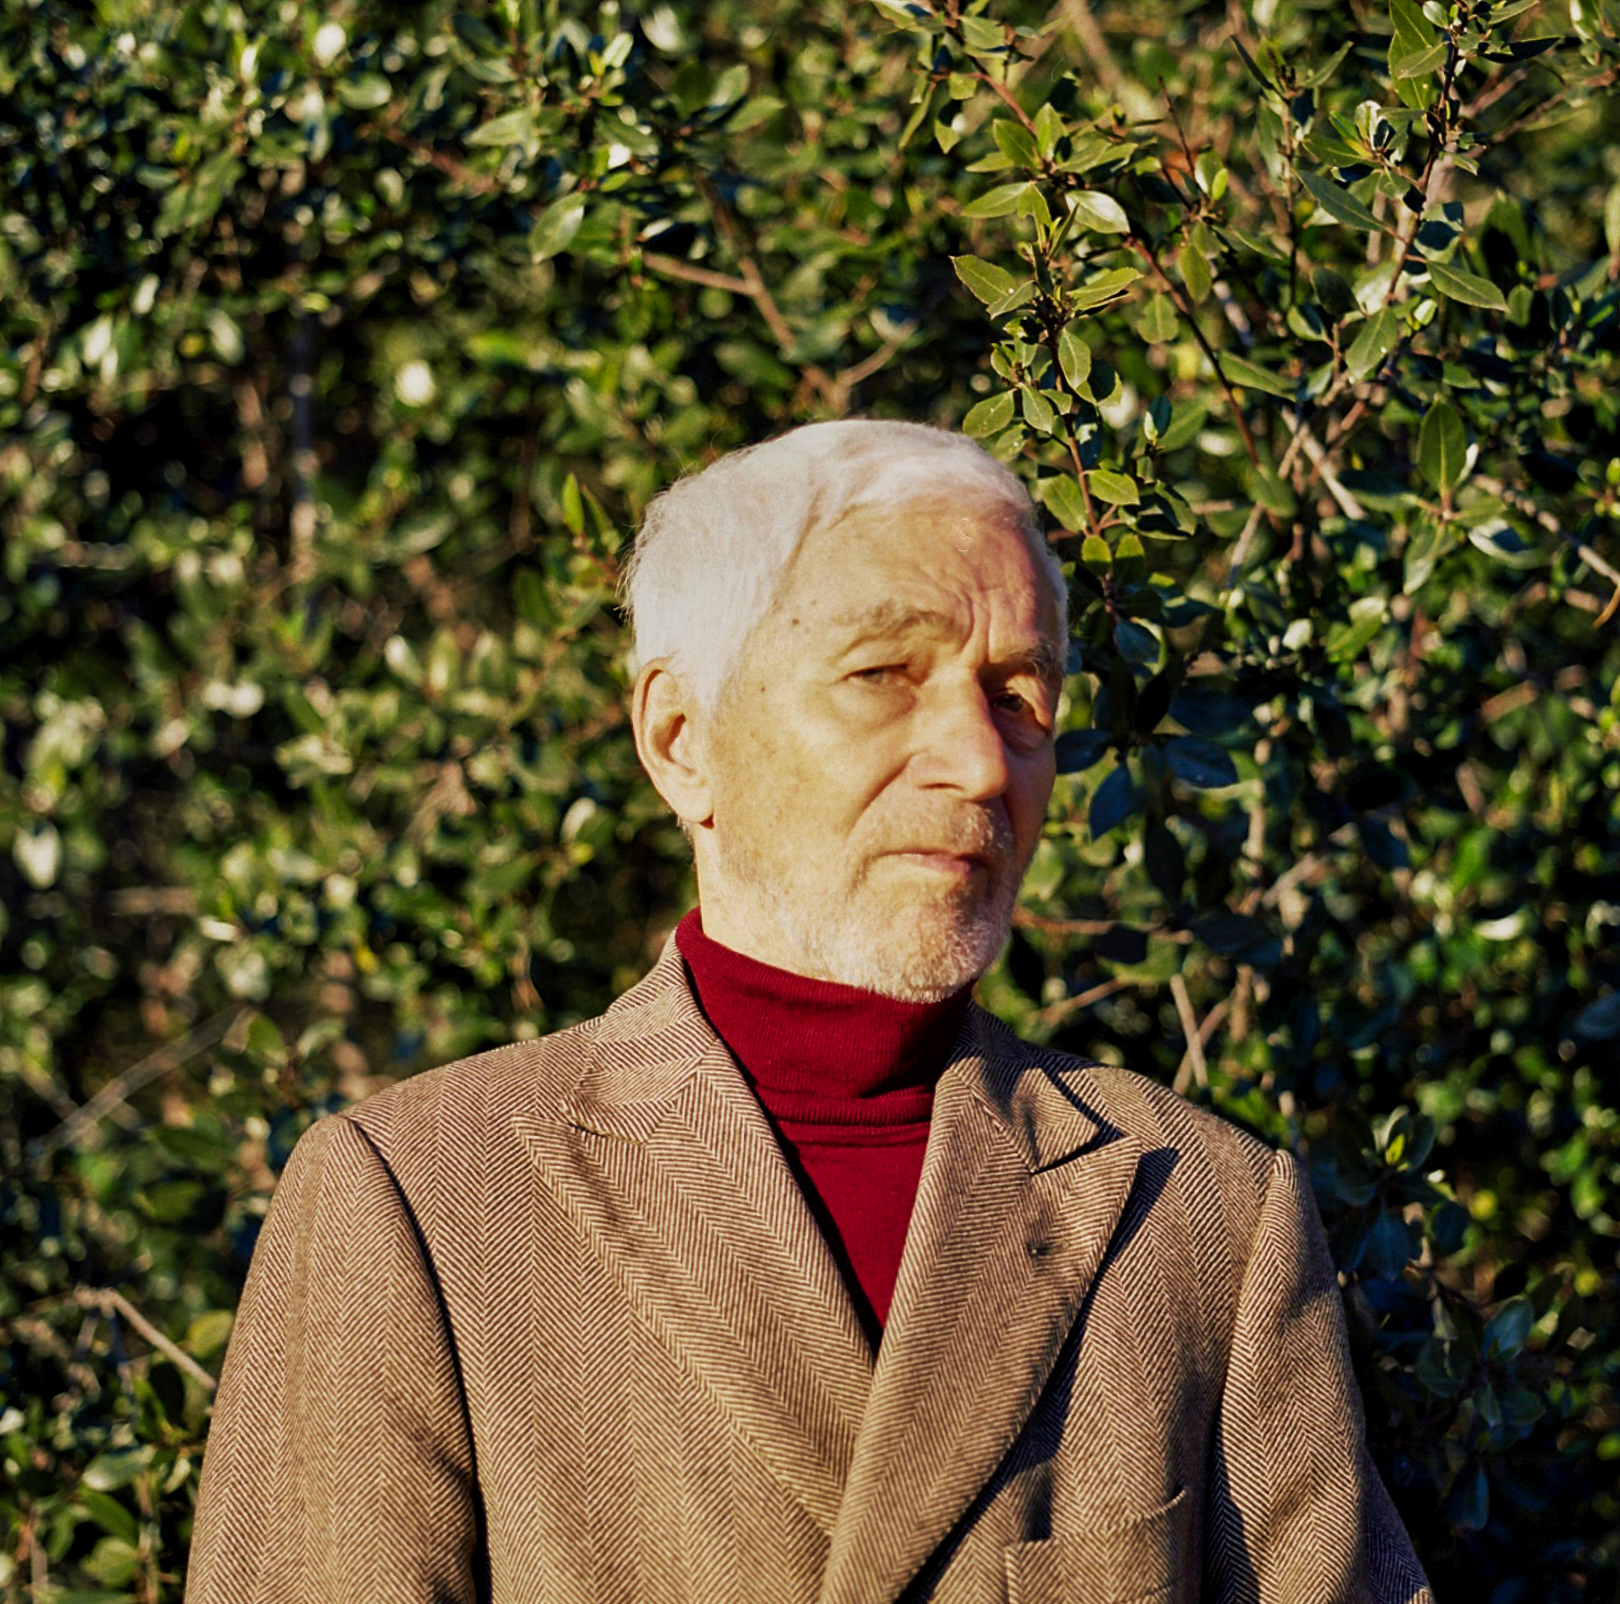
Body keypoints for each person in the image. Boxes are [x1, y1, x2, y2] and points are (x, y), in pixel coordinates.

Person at [185, 420, 1432, 1604]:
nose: (982, 759)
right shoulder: (421, 1199)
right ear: (682, 740)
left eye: (1019, 695)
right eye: (884, 673)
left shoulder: (1202, 1209)